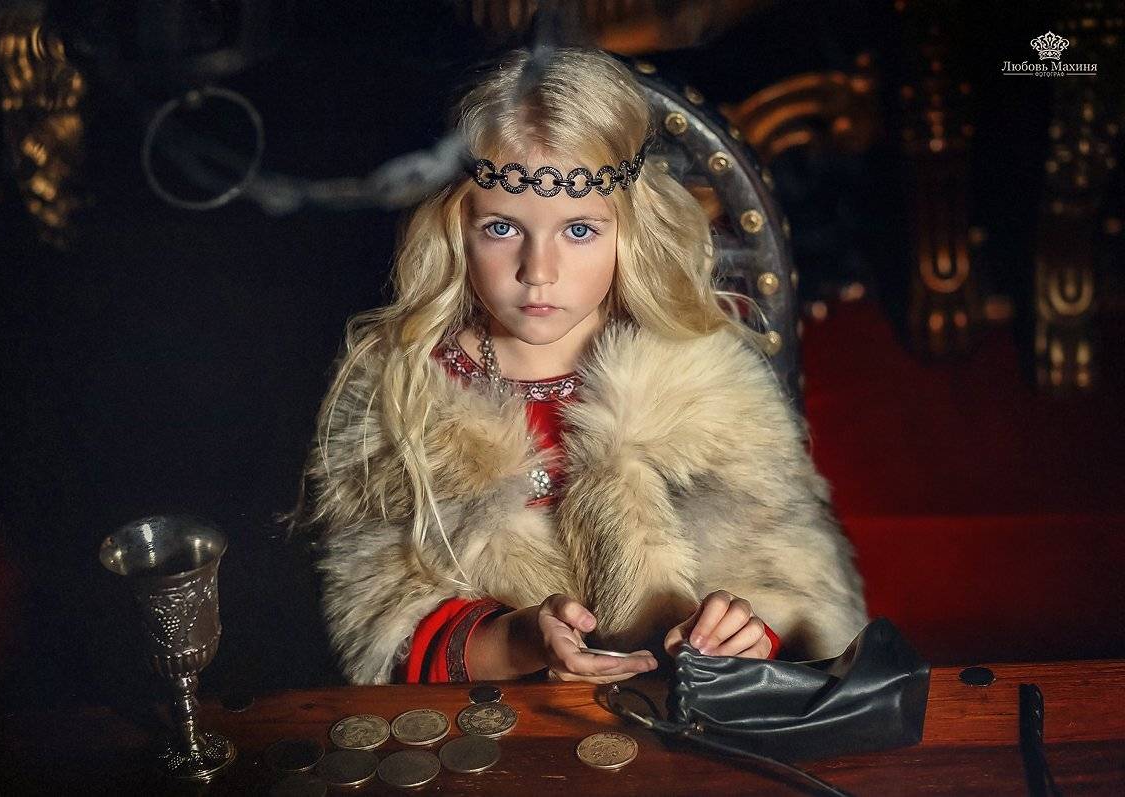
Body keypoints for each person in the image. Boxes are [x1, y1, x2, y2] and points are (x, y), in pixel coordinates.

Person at [291, 47, 867, 686]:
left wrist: (744, 637)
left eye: (580, 231)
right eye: (503, 229)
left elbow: (798, 590)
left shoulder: (707, 386)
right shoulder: (402, 398)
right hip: (508, 729)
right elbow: (384, 627)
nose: (539, 271)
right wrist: (516, 643)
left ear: (631, 230)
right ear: (455, 227)